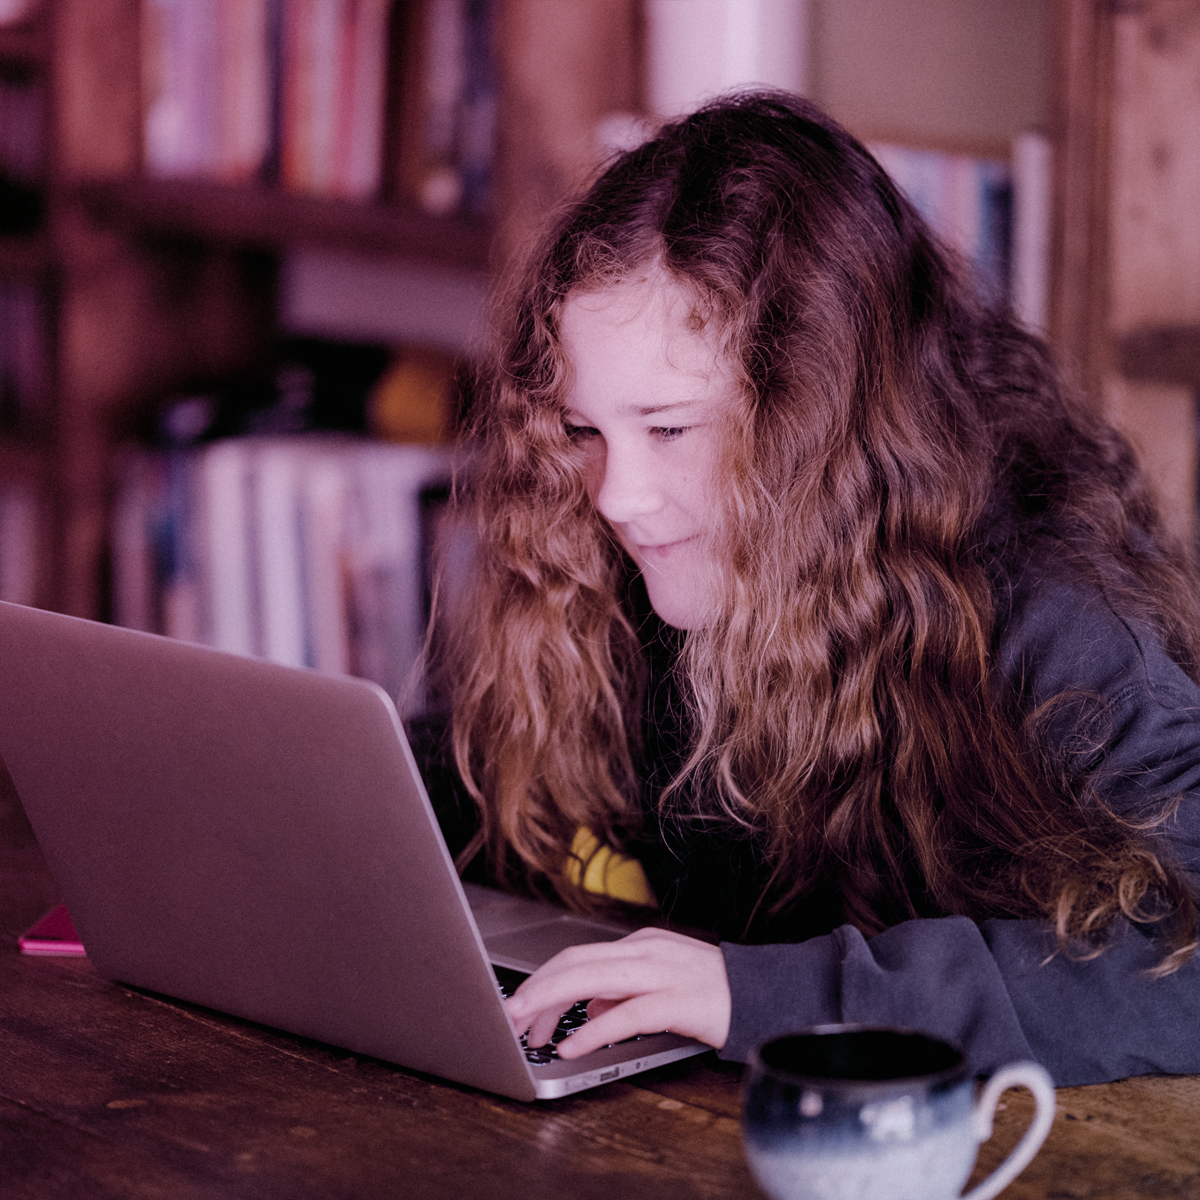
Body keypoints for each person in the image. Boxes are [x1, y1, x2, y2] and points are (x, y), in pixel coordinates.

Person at [415, 91, 1200, 1087]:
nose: (618, 496)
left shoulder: (1051, 612)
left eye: (670, 430)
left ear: (816, 423)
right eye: (585, 431)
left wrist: (767, 996)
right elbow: (467, 788)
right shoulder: (644, 567)